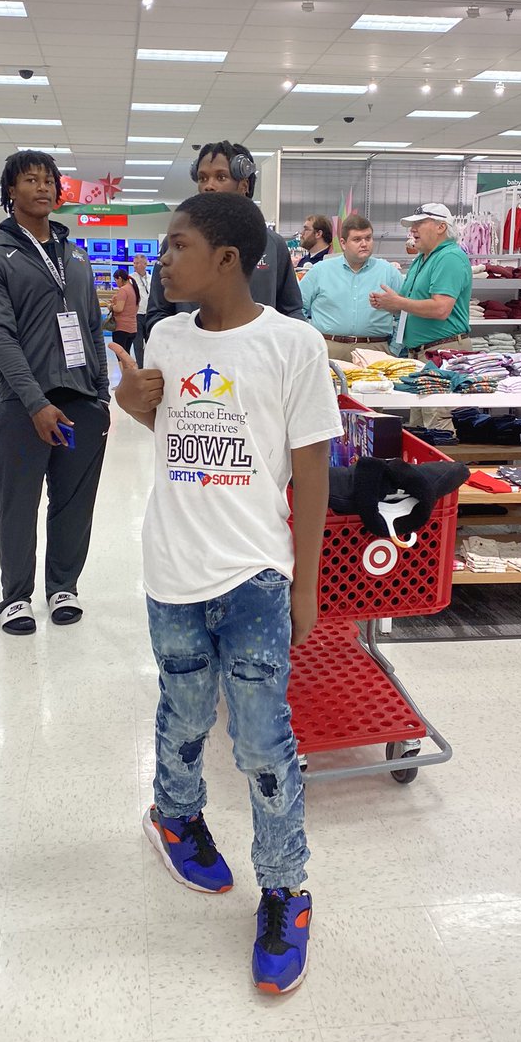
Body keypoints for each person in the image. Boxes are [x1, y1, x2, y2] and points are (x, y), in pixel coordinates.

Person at [111, 191, 342, 995]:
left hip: (252, 576)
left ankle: (285, 889)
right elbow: (177, 434)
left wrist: (304, 586)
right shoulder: (166, 335)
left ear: (228, 261)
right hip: (169, 569)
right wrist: (128, 403)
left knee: (261, 742)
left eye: (176, 246)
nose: (161, 260)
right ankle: (173, 816)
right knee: (179, 714)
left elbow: (310, 471)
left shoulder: (293, 345)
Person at [0, 150, 110, 635]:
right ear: (10, 190)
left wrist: (101, 395)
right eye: (30, 180)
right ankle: (16, 596)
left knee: (73, 499)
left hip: (78, 404)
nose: (43, 188)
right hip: (25, 406)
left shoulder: (74, 256)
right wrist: (34, 402)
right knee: (19, 501)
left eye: (49, 180)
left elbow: (93, 326)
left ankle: (63, 586)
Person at [145, 141, 303, 332]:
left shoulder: (272, 245)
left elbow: (291, 311)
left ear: (244, 185)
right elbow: (158, 313)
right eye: (202, 178)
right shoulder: (176, 244)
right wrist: (176, 343)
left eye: (221, 177)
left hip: (258, 356)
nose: (209, 186)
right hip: (192, 356)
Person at [369, 202, 472, 357]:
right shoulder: (421, 259)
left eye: (420, 223)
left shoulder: (450, 257)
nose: (412, 229)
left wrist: (398, 302)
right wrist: (388, 303)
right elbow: (410, 304)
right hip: (423, 352)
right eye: (413, 224)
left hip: (442, 352)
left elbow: (440, 309)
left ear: (441, 227)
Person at [300, 213, 403, 361]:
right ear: (343, 243)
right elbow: (297, 308)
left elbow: (405, 315)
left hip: (376, 350)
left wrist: (393, 350)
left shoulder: (389, 273)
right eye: (357, 239)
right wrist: (309, 342)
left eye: (368, 238)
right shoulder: (320, 271)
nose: (364, 244)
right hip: (328, 348)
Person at [110, 267, 139, 354]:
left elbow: (119, 308)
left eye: (115, 280)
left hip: (121, 328)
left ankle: (124, 368)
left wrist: (110, 306)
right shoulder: (134, 289)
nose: (116, 283)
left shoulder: (123, 290)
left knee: (120, 356)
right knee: (126, 354)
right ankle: (128, 368)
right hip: (132, 327)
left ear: (119, 278)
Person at [130, 251, 151, 365]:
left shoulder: (151, 278)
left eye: (138, 263)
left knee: (150, 342)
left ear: (145, 264)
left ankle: (150, 364)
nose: (136, 265)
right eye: (134, 263)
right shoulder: (130, 279)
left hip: (149, 315)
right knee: (138, 344)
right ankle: (141, 367)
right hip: (136, 315)